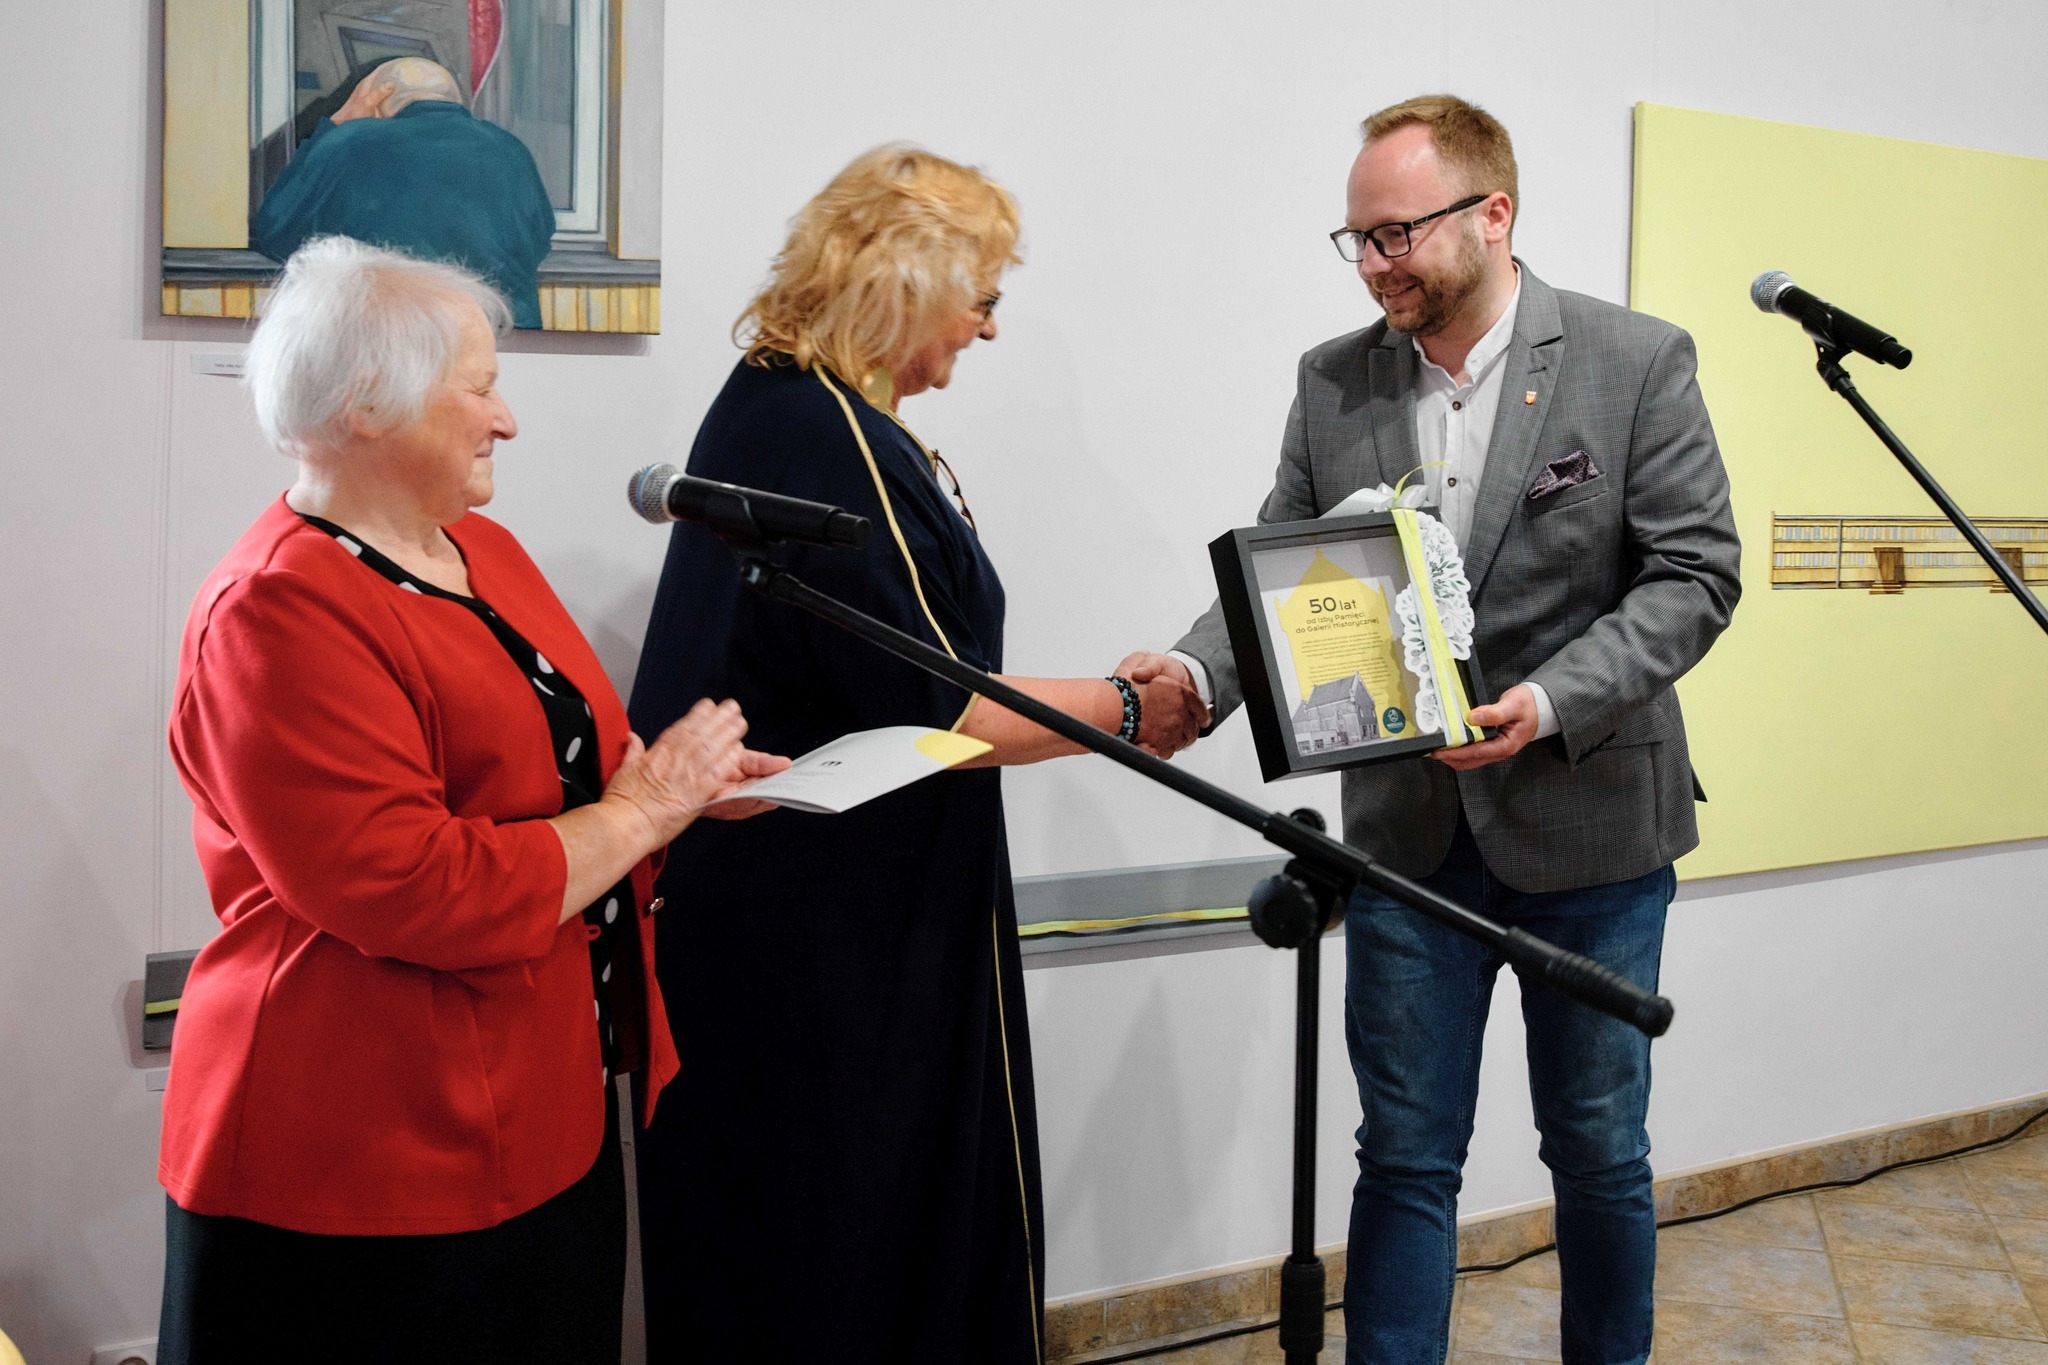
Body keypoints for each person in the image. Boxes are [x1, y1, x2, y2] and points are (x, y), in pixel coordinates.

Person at [1122, 96, 1741, 1363]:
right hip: (1405, 842)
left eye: (1394, 233)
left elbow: (1693, 576)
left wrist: (1548, 702)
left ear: (1491, 213)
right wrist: (1188, 672)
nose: (1371, 263)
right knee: (1403, 1156)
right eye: (1355, 238)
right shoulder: (1331, 380)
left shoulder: (1633, 360)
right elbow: (1282, 569)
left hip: (1594, 835)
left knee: (1597, 1150)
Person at [157, 236, 785, 1364]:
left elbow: (562, 765)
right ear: (366, 405)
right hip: (364, 1151)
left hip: (538, 1105)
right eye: (480, 387)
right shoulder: (276, 609)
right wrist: (645, 809)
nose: (507, 420)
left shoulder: (481, 548)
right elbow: (413, 885)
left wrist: (682, 790)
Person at [626, 144, 1205, 1364]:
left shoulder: (777, 402)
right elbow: (942, 708)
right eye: (980, 297)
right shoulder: (830, 438)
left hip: (793, 909)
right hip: (835, 934)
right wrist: (1125, 707)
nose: (987, 328)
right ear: (909, 283)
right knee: (854, 1242)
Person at [252, 58, 558, 329]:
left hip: (390, 340)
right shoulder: (509, 149)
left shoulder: (350, 142)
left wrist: (336, 123)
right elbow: (539, 240)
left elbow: (276, 233)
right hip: (499, 335)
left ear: (379, 100)